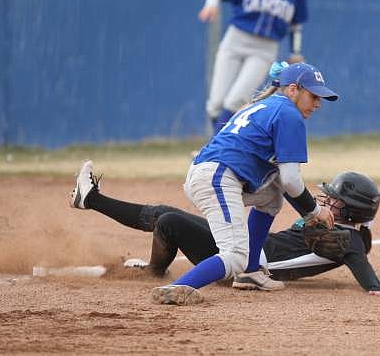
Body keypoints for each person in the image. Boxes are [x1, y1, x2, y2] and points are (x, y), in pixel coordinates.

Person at [145, 61, 338, 305]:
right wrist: (315, 211)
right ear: (292, 89)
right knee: (235, 254)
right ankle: (179, 287)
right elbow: (291, 179)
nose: (318, 103)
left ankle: (251, 271)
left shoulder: (266, 106)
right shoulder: (290, 115)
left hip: (210, 174)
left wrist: (309, 213)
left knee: (271, 197)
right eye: (313, 95)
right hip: (218, 179)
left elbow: (282, 182)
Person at [69, 160, 380, 298]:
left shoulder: (350, 239)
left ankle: (96, 203)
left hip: (245, 264)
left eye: (334, 201)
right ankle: (93, 200)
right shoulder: (343, 230)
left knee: (169, 220)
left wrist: (377, 288)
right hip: (248, 250)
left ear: (351, 210)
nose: (326, 202)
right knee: (167, 215)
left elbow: (366, 273)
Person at [198, 0, 308, 135]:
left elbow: (296, 24)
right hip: (236, 39)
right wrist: (211, 4)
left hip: (264, 48)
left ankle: (214, 149)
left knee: (236, 100)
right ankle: (220, 146)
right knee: (215, 104)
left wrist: (295, 51)